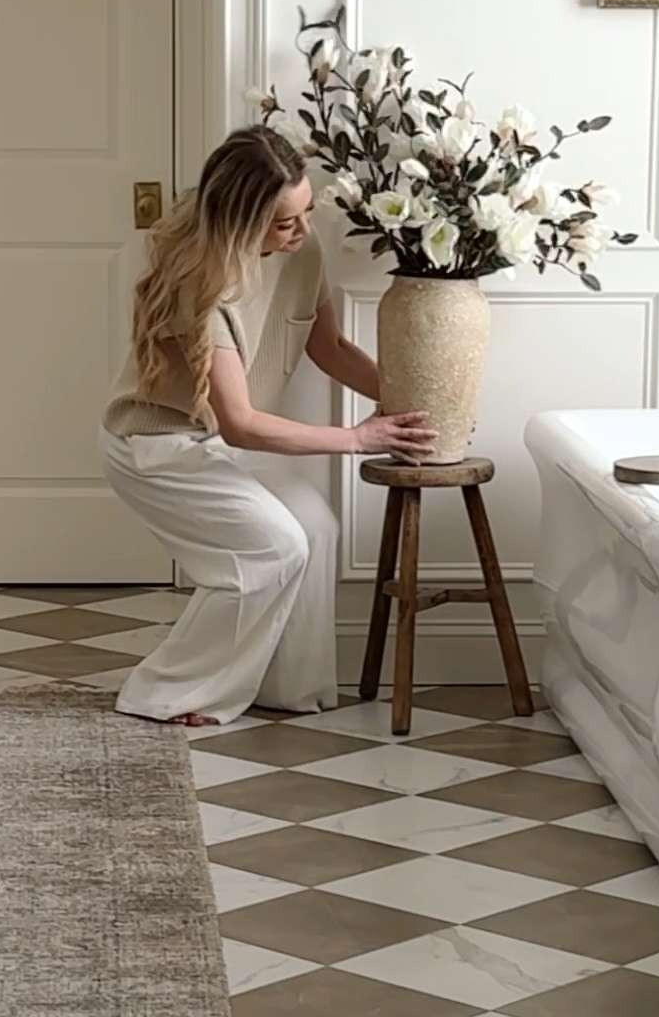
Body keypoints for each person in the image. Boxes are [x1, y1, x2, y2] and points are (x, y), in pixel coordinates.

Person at [101, 123, 433, 727]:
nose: (303, 231)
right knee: (271, 547)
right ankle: (169, 693)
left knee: (316, 527)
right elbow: (242, 425)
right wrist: (359, 439)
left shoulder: (301, 252)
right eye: (285, 222)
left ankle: (285, 687)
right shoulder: (200, 287)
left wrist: (412, 398)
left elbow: (327, 346)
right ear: (238, 219)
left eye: (305, 212)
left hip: (212, 441)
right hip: (158, 446)